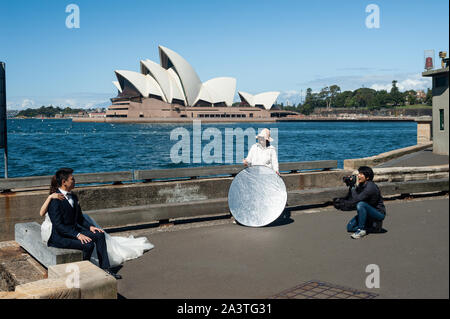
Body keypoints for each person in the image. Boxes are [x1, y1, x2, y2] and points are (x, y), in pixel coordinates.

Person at [41, 171, 154, 273]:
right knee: (88, 244)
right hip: (60, 236)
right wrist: (78, 234)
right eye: (72, 179)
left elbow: (80, 218)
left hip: (73, 231)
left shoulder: (73, 197)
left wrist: (90, 227)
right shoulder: (55, 199)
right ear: (64, 182)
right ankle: (84, 271)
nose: (75, 181)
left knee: (99, 234)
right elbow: (58, 226)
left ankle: (105, 268)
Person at [334, 166, 386, 239]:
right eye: (359, 173)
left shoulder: (370, 188)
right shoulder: (362, 185)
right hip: (368, 213)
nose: (358, 175)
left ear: (367, 177)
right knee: (350, 227)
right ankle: (374, 227)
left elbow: (356, 200)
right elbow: (352, 198)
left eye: (361, 174)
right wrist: (350, 185)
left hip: (378, 213)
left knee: (361, 204)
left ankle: (361, 230)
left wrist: (353, 187)